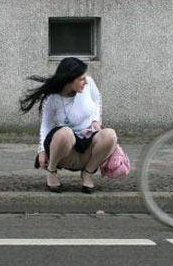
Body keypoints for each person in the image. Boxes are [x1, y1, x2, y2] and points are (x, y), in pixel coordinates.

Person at [19, 57, 117, 194]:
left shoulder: (88, 83)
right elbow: (46, 125)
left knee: (110, 135)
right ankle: (52, 171)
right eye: (81, 79)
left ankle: (88, 173)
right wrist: (41, 151)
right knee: (65, 133)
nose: (85, 81)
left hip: (87, 146)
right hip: (65, 150)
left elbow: (96, 99)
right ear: (69, 80)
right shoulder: (52, 98)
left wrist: (96, 120)